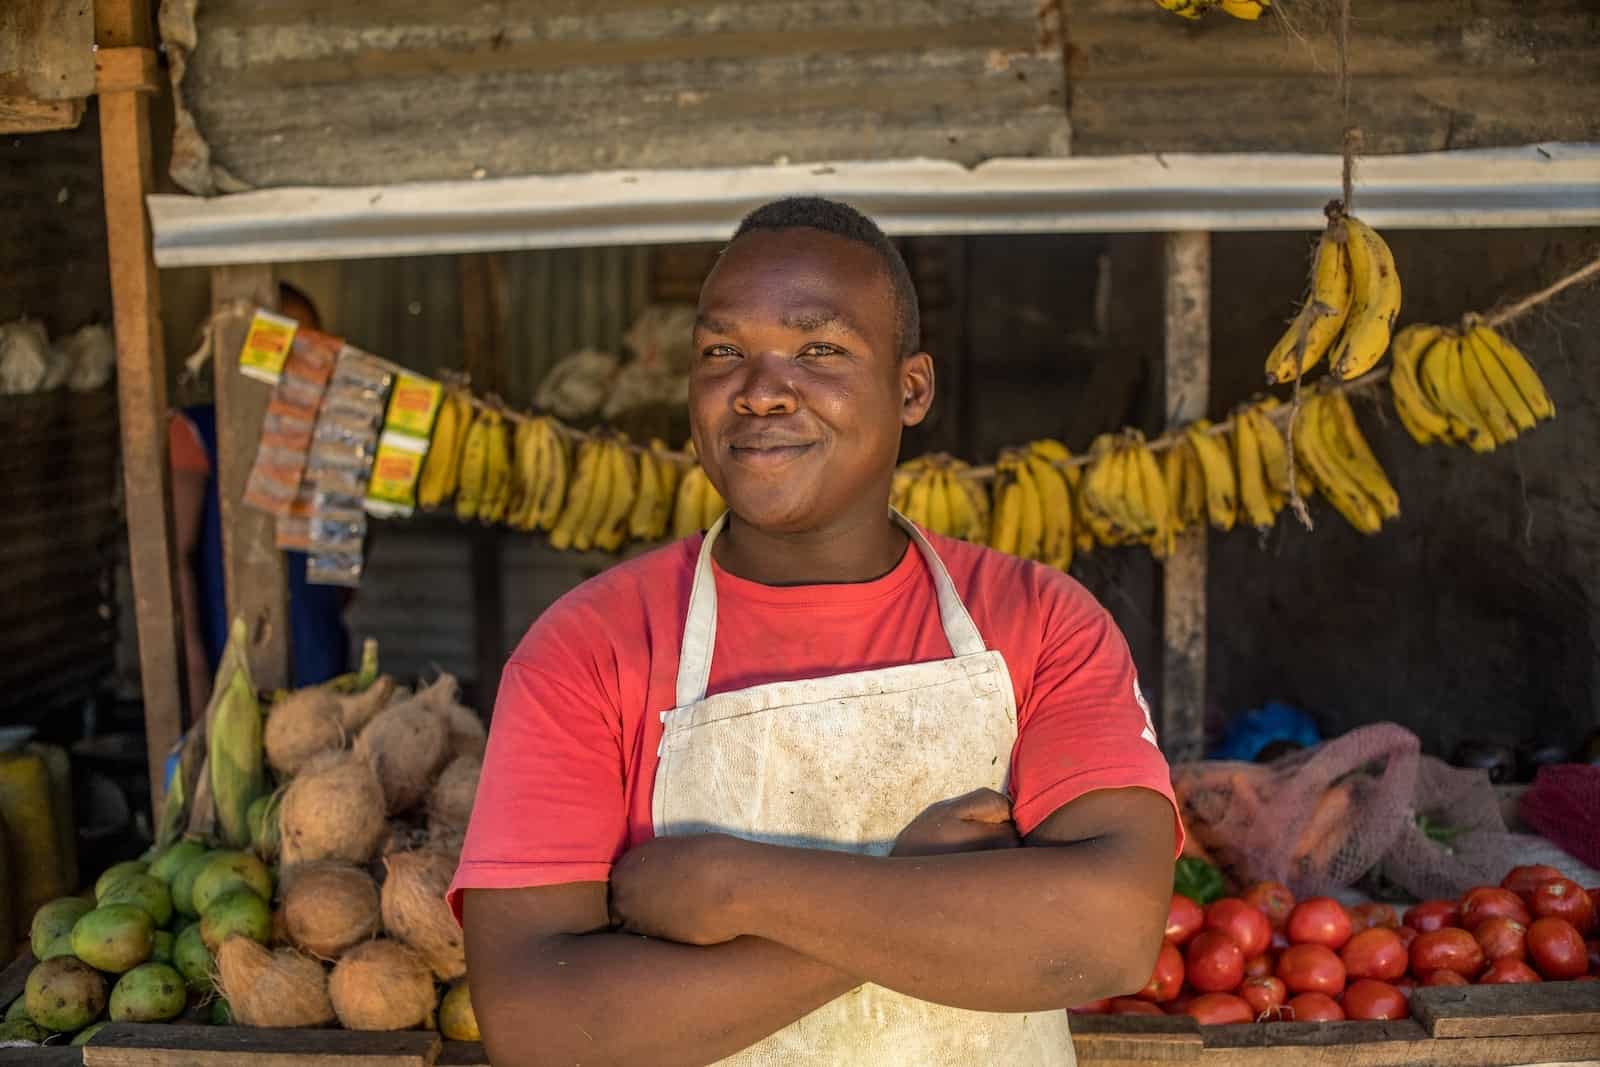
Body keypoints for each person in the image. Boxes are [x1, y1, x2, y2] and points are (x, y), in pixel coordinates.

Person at [450, 198, 1181, 1066]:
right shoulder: (586, 650)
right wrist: (915, 883)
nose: (759, 390)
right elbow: (539, 1028)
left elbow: (1108, 933)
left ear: (911, 389)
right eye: (722, 352)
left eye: (819, 349)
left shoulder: (1040, 623)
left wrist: (732, 886)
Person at [169, 283, 350, 709]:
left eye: (312, 347)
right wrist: (194, 671)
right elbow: (174, 560)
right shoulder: (195, 432)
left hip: (319, 659)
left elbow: (344, 569)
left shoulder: (328, 439)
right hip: (229, 665)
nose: (301, 363)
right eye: (285, 346)